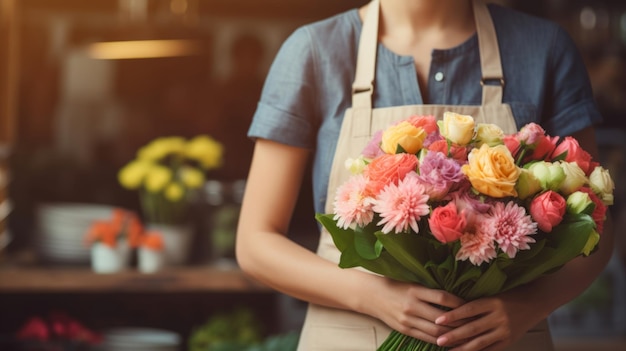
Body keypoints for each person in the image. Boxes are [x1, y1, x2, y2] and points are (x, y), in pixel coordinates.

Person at [235, 0, 615, 350]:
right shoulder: (315, 50)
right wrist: (369, 294)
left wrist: (528, 306)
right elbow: (255, 242)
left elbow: (596, 225)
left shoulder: (543, 48)